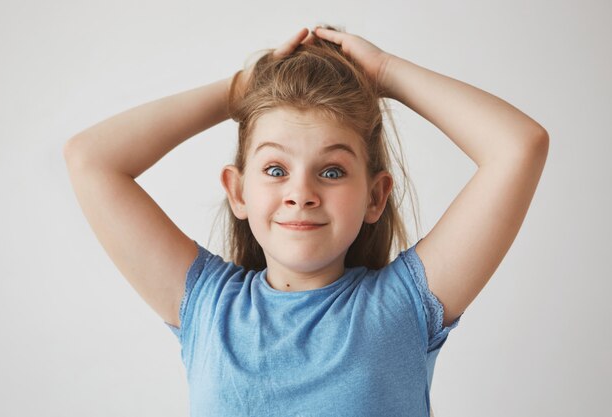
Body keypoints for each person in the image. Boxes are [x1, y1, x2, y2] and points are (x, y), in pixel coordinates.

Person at [63, 25, 549, 417]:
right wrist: (239, 90)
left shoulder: (402, 307)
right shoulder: (208, 307)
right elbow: (90, 159)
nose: (301, 194)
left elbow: (517, 146)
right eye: (275, 169)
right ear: (238, 191)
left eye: (332, 171)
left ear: (375, 196)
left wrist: (387, 72)